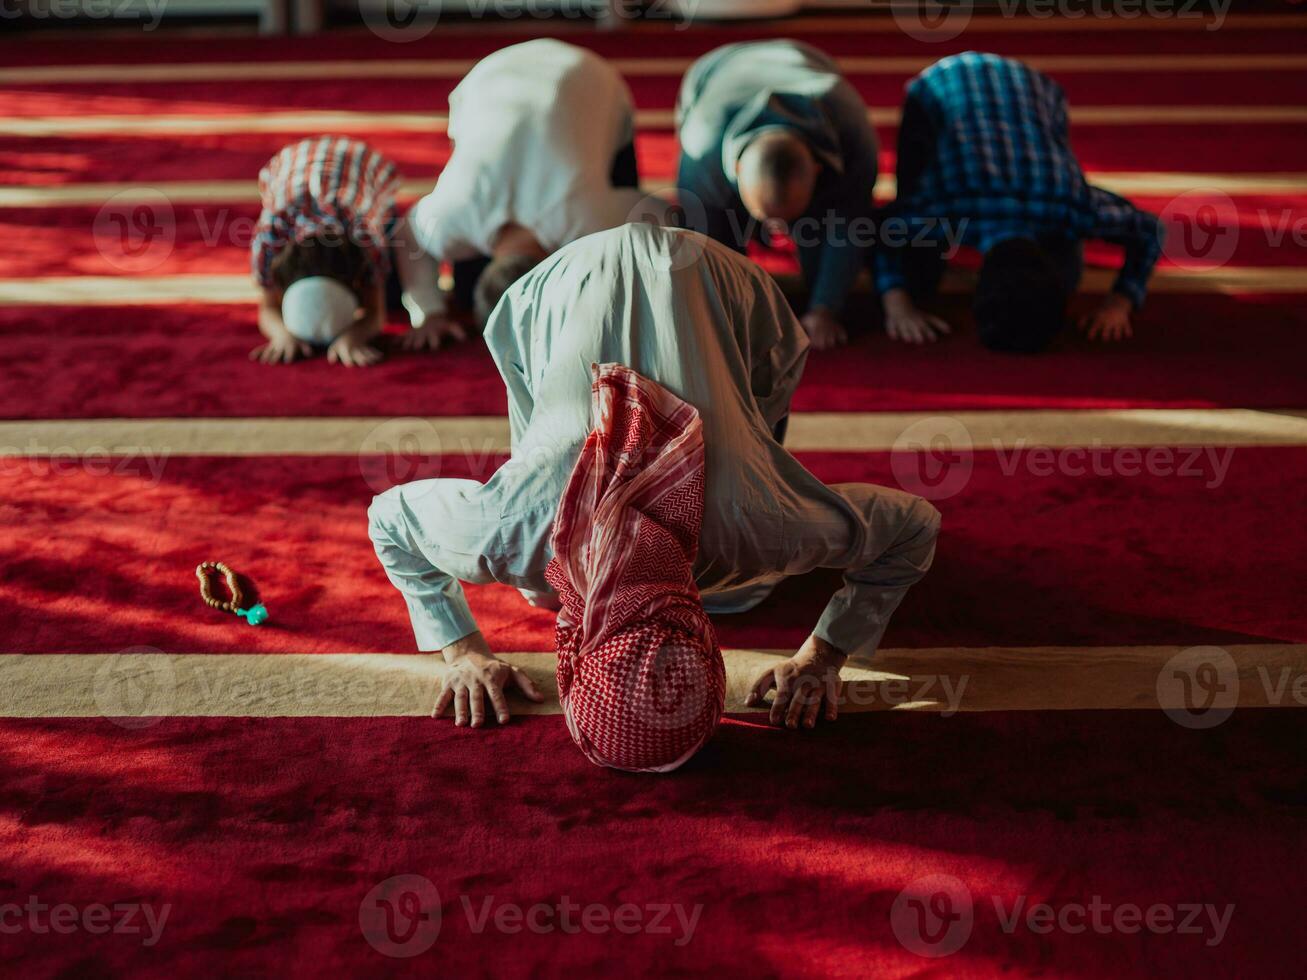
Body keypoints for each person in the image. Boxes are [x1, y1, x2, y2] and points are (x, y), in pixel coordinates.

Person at [368, 224, 940, 768]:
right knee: (551, 587)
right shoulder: (516, 537)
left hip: (641, 278)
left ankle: (739, 442)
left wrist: (823, 657)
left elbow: (915, 525)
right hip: (658, 276)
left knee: (552, 590)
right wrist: (825, 653)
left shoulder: (761, 533)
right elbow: (389, 519)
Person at [876, 52, 1165, 352]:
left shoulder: (1071, 208)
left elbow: (1149, 229)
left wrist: (1120, 304)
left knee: (1068, 274)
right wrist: (898, 301)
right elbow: (883, 226)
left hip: (1037, 91)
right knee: (919, 273)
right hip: (939, 85)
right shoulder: (946, 212)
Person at [401, 39, 672, 333]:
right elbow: (410, 232)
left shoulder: (588, 223)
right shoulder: (451, 218)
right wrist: (429, 312)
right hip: (489, 75)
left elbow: (661, 216)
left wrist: (430, 311)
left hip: (590, 76)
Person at [675, 40, 880, 351]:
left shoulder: (849, 128)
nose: (777, 232)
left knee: (822, 232)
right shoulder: (702, 149)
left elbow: (849, 225)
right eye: (765, 218)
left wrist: (824, 308)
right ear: (737, 169)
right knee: (722, 243)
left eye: (787, 219)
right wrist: (730, 314)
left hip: (805, 59)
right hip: (714, 71)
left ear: (818, 168)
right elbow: (708, 244)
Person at [249, 136, 463, 367]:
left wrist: (353, 337)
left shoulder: (367, 238)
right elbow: (268, 307)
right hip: (293, 165)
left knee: (393, 292)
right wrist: (282, 334)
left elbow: (375, 314)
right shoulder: (271, 236)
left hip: (364, 167)